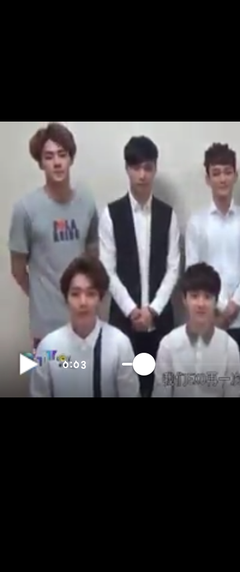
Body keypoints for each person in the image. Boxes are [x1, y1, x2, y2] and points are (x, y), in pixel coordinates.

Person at [99, 136, 180, 398]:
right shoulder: (111, 214)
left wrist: (153, 310)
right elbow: (107, 270)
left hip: (161, 322)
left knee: (161, 388)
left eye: (147, 167)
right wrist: (133, 311)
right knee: (122, 388)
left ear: (155, 169)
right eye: (136, 168)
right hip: (123, 323)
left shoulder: (168, 215)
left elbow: (173, 268)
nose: (142, 175)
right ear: (127, 169)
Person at [9, 123, 99, 349]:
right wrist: (41, 298)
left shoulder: (87, 202)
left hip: (83, 324)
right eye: (49, 157)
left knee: (81, 370)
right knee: (38, 369)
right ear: (41, 163)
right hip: (44, 328)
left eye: (62, 154)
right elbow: (17, 270)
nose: (57, 162)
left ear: (71, 158)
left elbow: (93, 258)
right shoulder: (25, 209)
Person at [185, 143, 240, 396]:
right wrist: (217, 309)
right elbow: (193, 272)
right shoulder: (197, 222)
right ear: (207, 179)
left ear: (235, 175)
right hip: (207, 320)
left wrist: (233, 306)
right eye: (216, 173)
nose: (222, 179)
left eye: (227, 172)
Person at [29, 255, 139, 397]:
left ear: (100, 298)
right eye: (75, 294)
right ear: (66, 298)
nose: (83, 302)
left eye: (91, 294)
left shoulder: (120, 344)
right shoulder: (47, 347)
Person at [152, 263, 240, 397]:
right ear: (184, 299)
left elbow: (234, 394)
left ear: (216, 301)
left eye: (207, 297)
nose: (201, 304)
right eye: (194, 296)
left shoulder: (229, 347)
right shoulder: (168, 345)